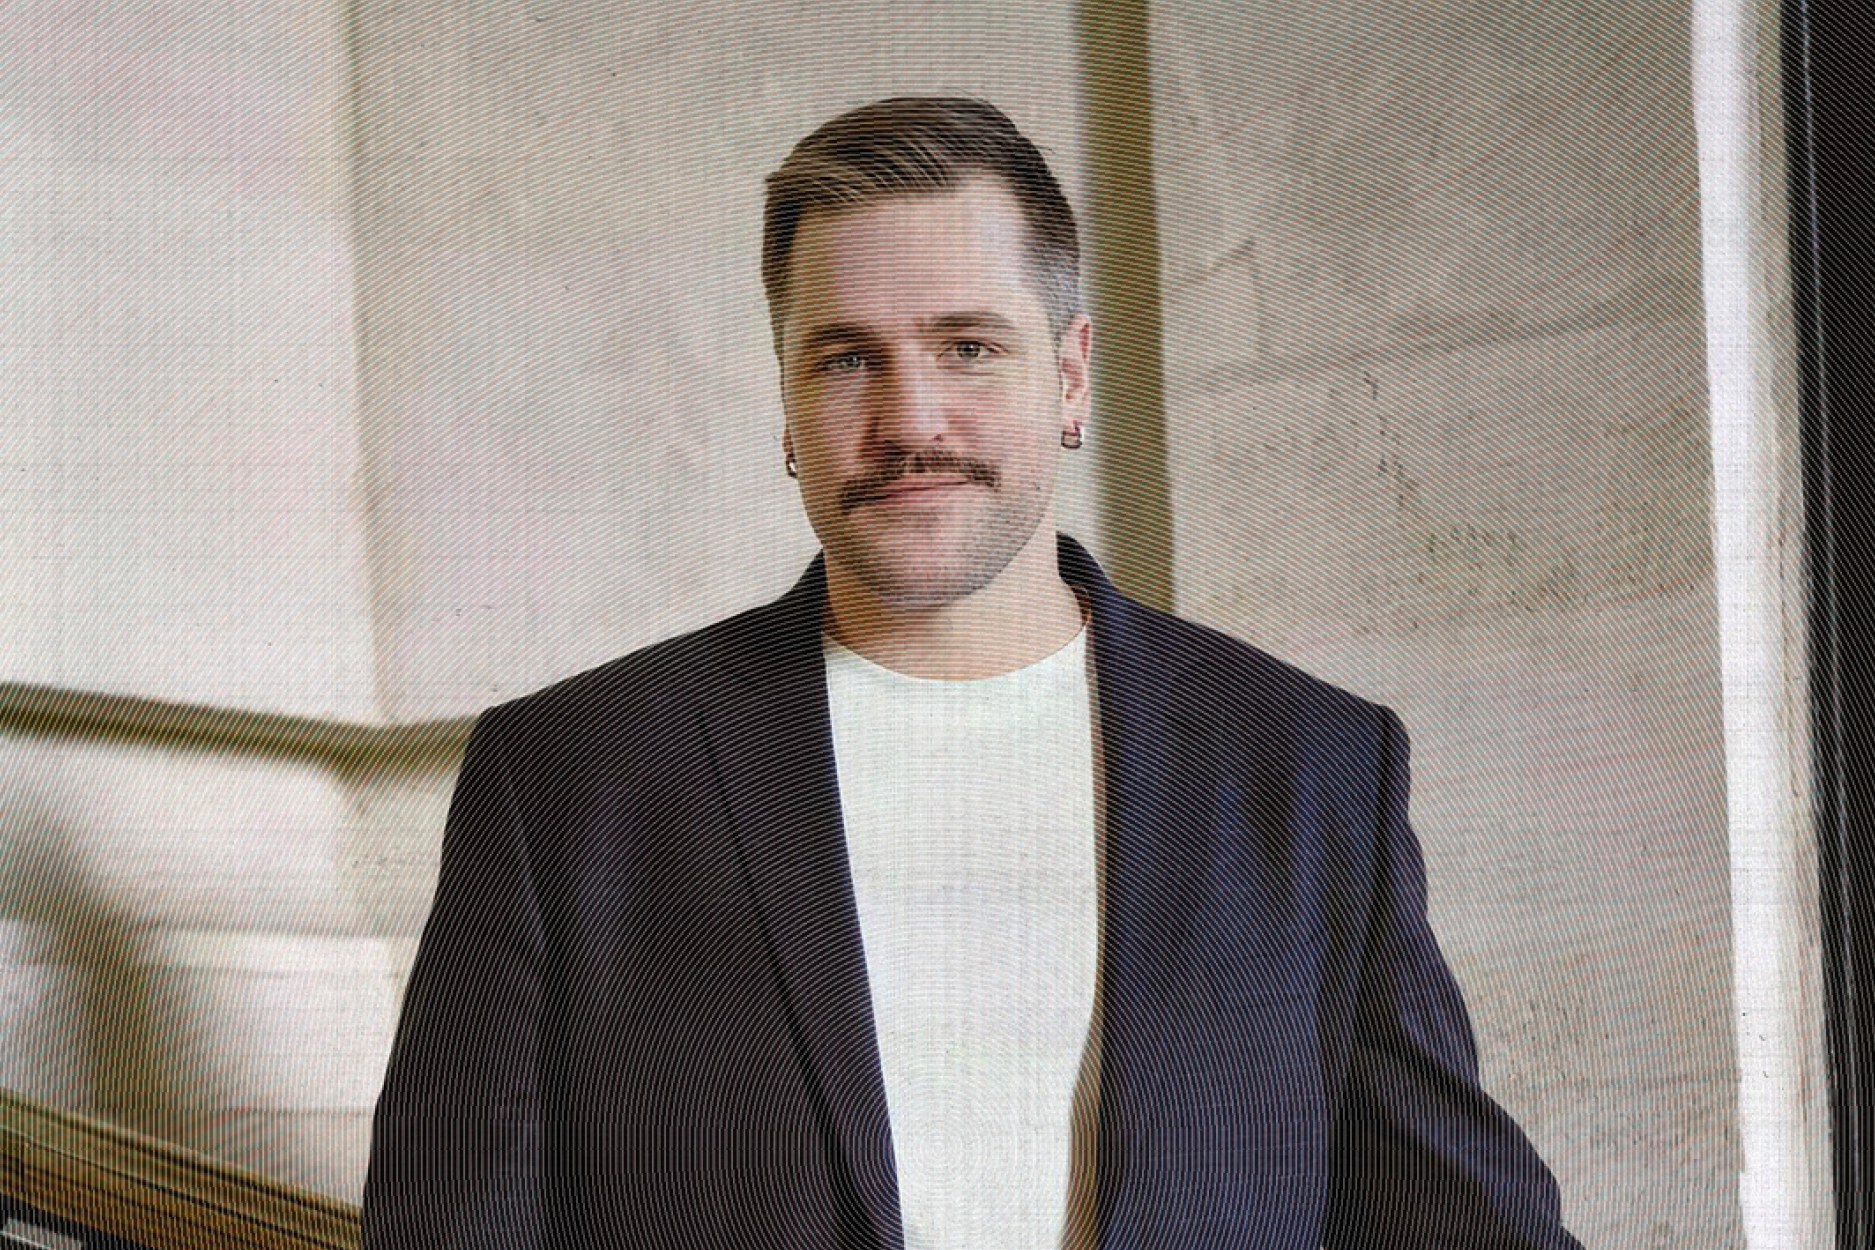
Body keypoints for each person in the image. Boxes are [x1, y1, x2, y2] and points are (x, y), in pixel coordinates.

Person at [361, 96, 1583, 1250]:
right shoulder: (568, 779)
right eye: (846, 358)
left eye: (967, 346)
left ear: (1070, 374)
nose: (911, 419)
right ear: (786, 404)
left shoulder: (1309, 769)